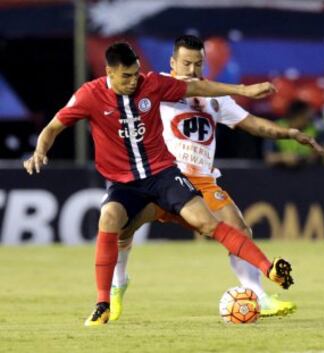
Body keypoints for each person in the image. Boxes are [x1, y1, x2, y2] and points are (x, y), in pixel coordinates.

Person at [24, 41, 292, 327]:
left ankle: (269, 269)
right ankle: (103, 301)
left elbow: (198, 88)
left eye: (136, 73)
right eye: (126, 76)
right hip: (124, 184)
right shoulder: (89, 95)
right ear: (109, 73)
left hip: (163, 174)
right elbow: (54, 126)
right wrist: (40, 151)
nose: (133, 81)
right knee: (111, 219)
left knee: (207, 222)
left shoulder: (152, 84)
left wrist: (242, 90)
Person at [109, 36, 324, 321]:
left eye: (198, 64)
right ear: (172, 63)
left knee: (238, 228)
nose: (192, 69)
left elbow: (253, 124)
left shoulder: (215, 98)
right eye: (186, 63)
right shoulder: (156, 85)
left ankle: (258, 296)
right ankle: (118, 282)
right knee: (122, 226)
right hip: (161, 177)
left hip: (200, 182)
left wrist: (289, 133)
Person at [264, 99, 324, 168]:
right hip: (281, 173)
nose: (309, 121)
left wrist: (317, 155)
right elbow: (268, 158)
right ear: (297, 116)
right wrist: (282, 158)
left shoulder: (315, 129)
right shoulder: (276, 128)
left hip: (308, 173)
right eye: (307, 117)